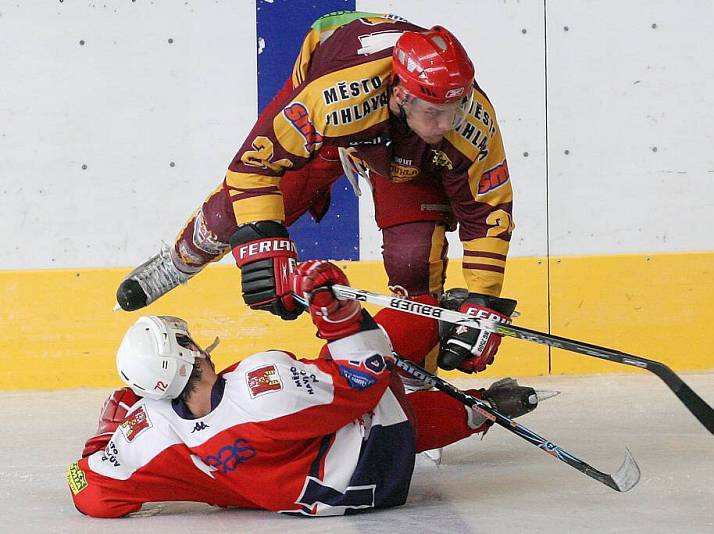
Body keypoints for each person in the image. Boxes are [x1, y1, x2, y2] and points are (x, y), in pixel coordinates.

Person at [115, 11, 517, 375]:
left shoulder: (471, 122)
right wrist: (264, 241)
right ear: (400, 93)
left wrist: (482, 303)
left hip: (407, 150)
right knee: (230, 216)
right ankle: (179, 260)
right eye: (436, 112)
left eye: (457, 107)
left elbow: (489, 214)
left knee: (414, 259)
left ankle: (416, 377)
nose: (450, 123)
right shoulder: (333, 100)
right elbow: (253, 166)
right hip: (334, 92)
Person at [70, 261, 542, 518]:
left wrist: (104, 433)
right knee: (376, 366)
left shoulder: (151, 434)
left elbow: (88, 491)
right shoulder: (261, 388)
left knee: (327, 412)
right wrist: (337, 315)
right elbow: (364, 378)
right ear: (187, 353)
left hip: (314, 492)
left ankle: (481, 410)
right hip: (378, 466)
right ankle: (452, 322)